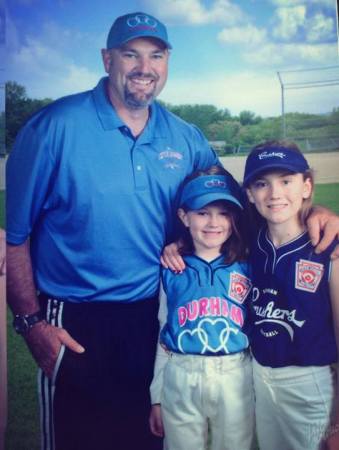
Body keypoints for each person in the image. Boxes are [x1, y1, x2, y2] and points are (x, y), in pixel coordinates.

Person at [5, 12, 221, 450]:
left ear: (167, 63)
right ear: (108, 59)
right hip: (75, 319)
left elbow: (227, 208)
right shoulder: (53, 128)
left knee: (148, 439)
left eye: (156, 55)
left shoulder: (185, 137)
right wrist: (30, 323)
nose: (145, 67)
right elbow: (16, 236)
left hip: (154, 318)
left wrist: (315, 216)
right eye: (131, 54)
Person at [149, 166, 255, 450]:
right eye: (202, 212)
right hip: (181, 373)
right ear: (184, 216)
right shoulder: (171, 268)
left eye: (223, 213)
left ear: (234, 219)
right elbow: (164, 331)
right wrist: (157, 396)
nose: (213, 222)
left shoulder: (247, 265)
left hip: (235, 373)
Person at [243, 140, 339, 450]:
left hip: (310, 383)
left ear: (307, 186)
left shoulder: (328, 248)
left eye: (286, 181)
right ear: (249, 194)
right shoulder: (248, 243)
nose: (275, 194)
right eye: (262, 184)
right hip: (260, 375)